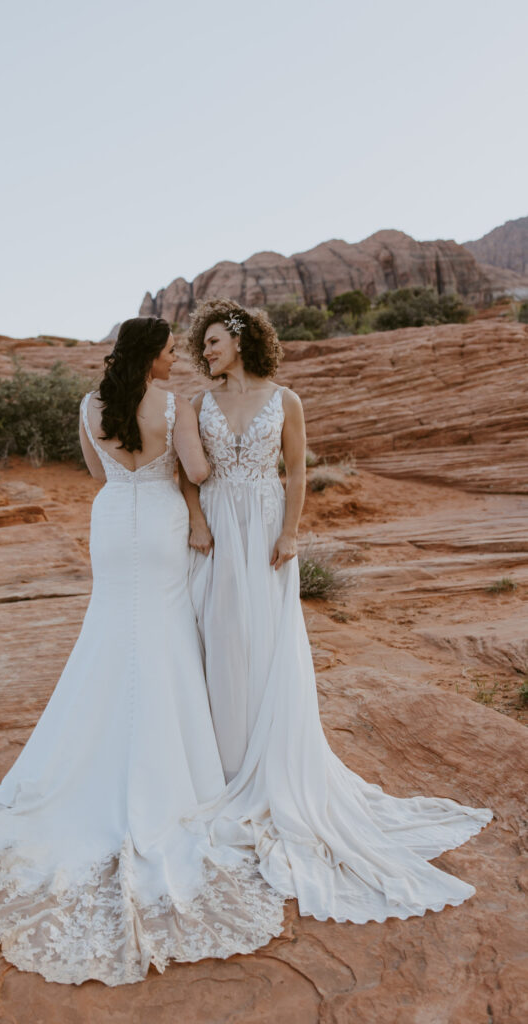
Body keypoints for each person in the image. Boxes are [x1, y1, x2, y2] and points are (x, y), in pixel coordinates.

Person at [0, 316, 284, 986]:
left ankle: (86, 755)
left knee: (110, 628)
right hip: (161, 522)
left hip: (113, 521)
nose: (176, 358)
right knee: (166, 635)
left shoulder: (88, 406)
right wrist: (191, 472)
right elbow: (199, 470)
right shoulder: (172, 404)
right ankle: (175, 768)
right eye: (170, 350)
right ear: (150, 356)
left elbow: (95, 470)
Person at [181, 298, 493, 925]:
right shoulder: (196, 404)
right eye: (202, 345)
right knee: (218, 634)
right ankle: (220, 763)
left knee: (265, 640)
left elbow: (297, 472)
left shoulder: (285, 400)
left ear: (240, 339)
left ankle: (265, 767)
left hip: (266, 523)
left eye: (213, 341)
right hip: (218, 523)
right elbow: (187, 475)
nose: (205, 352)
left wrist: (291, 534)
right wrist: (195, 519)